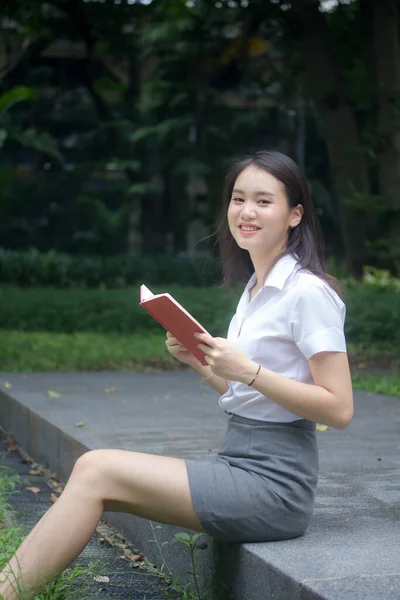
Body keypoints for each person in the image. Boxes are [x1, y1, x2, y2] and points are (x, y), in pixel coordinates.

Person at [0, 150, 353, 599]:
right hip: (241, 461)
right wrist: (202, 363)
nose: (246, 211)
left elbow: (339, 408)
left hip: (275, 485)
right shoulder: (255, 289)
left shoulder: (309, 293)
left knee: (95, 467)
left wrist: (249, 370)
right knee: (96, 474)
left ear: (294, 214)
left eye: (264, 201)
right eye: (238, 198)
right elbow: (251, 394)